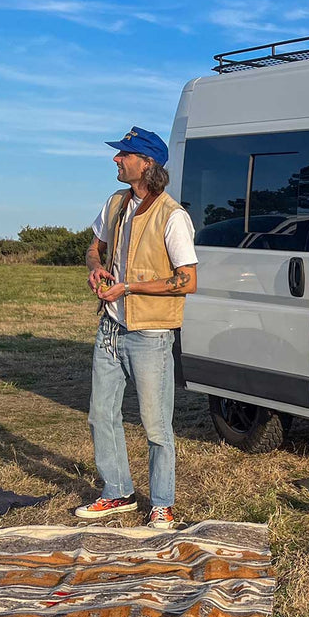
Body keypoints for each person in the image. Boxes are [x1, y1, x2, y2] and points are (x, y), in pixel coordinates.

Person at [76, 126, 197, 529]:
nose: (115, 159)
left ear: (147, 164)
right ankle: (117, 492)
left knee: (156, 425)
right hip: (110, 330)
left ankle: (162, 503)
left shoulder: (173, 216)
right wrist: (97, 269)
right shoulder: (115, 203)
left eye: (123, 154)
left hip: (150, 335)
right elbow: (94, 246)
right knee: (100, 415)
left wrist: (129, 287)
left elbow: (188, 280)